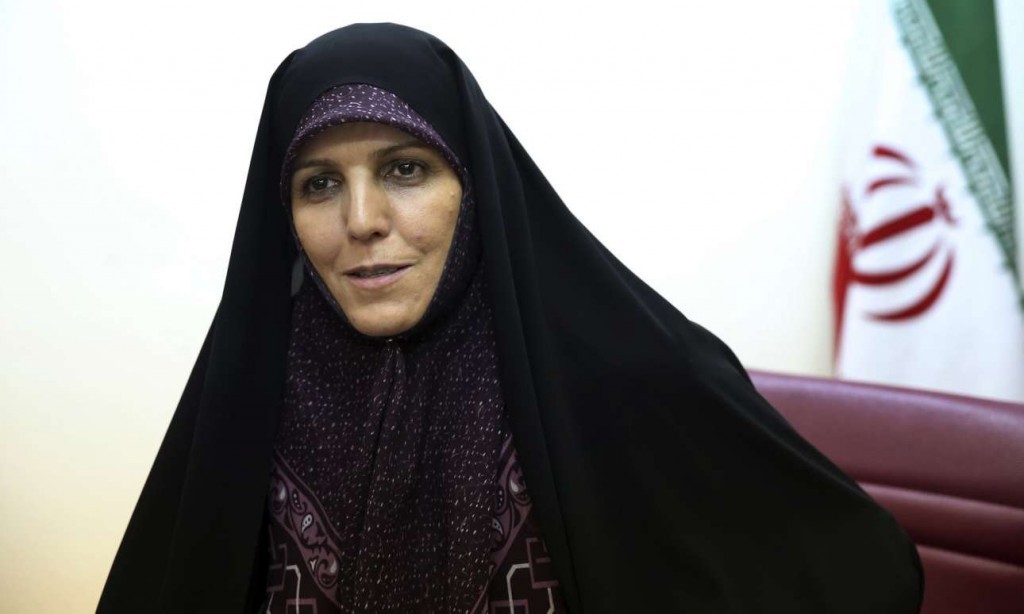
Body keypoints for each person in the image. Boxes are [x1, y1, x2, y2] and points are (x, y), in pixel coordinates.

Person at [98, 23, 924, 613]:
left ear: (475, 183)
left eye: (405, 169)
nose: (362, 220)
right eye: (319, 184)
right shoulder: (255, 392)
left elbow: (863, 569)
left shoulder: (622, 373)